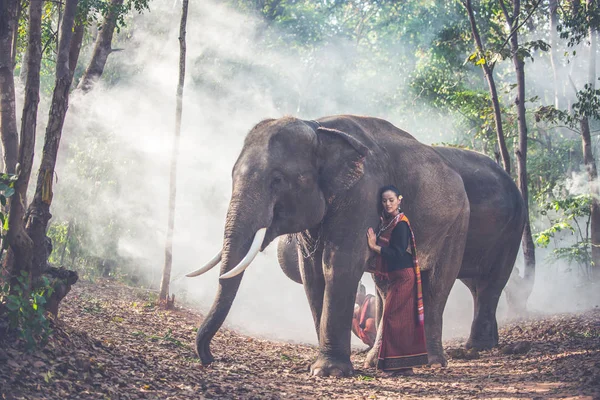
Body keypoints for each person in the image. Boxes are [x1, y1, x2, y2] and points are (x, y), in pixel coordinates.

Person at [366, 185, 427, 376]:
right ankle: (404, 366)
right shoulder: (389, 221)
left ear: (399, 200)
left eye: (391, 200)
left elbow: (397, 252)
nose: (388, 204)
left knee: (392, 318)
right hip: (397, 277)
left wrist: (375, 247)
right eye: (384, 200)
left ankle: (394, 366)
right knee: (401, 320)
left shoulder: (401, 224)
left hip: (403, 276)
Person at [351, 283, 377, 348]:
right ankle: (371, 345)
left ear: (362, 293)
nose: (354, 296)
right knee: (352, 320)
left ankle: (378, 345)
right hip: (369, 337)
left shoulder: (372, 301)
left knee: (369, 323)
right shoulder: (356, 309)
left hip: (382, 335)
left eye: (356, 293)